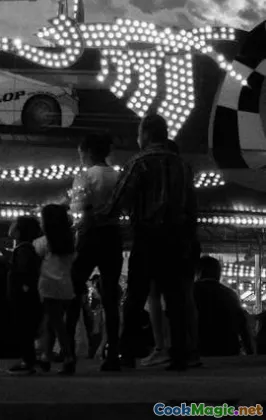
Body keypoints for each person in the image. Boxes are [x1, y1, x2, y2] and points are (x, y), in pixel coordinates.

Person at [102, 113, 197, 372]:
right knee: (175, 298)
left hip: (146, 236)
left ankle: (127, 354)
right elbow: (191, 206)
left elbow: (118, 199)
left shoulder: (138, 162)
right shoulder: (182, 165)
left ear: (145, 134)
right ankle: (179, 354)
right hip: (175, 238)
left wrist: (103, 218)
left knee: (136, 296)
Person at [66, 131, 122, 371]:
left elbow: (80, 208)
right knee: (111, 297)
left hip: (90, 236)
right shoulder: (118, 175)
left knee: (72, 291)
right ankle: (113, 353)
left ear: (87, 152)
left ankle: (69, 353)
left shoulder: (85, 176)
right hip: (113, 236)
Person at [34, 203, 76, 375]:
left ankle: (68, 356)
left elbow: (34, 254)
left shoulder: (43, 242)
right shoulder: (70, 241)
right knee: (54, 322)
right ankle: (46, 357)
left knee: (55, 323)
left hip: (48, 284)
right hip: (66, 285)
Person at [193, 256, 253, 357]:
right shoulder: (230, 294)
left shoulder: (191, 292)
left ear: (198, 272)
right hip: (228, 350)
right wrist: (250, 352)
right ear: (218, 273)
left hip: (199, 350)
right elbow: (243, 326)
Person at [6, 214, 42, 375]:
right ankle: (29, 360)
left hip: (22, 296)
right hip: (26, 295)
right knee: (26, 329)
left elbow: (23, 271)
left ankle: (28, 361)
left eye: (14, 224)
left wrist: (23, 288)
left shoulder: (23, 249)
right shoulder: (26, 248)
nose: (10, 226)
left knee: (24, 328)